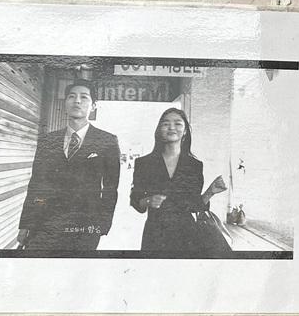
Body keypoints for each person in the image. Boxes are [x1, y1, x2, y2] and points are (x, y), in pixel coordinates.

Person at [17, 80, 120, 250]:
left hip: (84, 227)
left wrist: (102, 225)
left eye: (84, 97)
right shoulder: (48, 140)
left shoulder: (107, 141)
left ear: (93, 106)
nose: (77, 101)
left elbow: (110, 188)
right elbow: (36, 184)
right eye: (72, 96)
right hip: (45, 224)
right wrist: (26, 224)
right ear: (65, 104)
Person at [131, 107, 223, 252]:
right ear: (159, 130)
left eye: (178, 123)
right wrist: (148, 200)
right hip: (155, 234)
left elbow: (195, 206)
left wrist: (211, 191)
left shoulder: (195, 165)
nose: (172, 127)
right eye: (166, 123)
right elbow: (135, 200)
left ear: (185, 130)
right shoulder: (144, 163)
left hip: (187, 235)